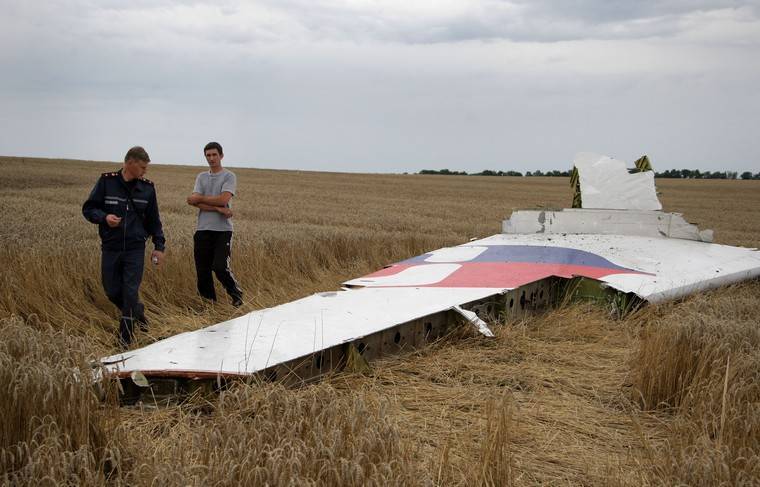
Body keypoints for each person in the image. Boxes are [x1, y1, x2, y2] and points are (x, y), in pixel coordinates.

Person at [82, 146, 166, 348]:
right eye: (143, 167)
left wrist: (159, 246)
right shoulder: (107, 182)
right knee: (111, 291)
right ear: (130, 163)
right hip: (111, 247)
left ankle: (124, 341)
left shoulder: (147, 188)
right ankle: (138, 314)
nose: (145, 172)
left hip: (135, 249)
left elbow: (154, 220)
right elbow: (89, 208)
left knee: (129, 293)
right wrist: (104, 217)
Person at [186, 141, 243, 306]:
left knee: (219, 267)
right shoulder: (201, 177)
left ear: (221, 156)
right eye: (208, 155)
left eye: (214, 155)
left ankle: (236, 294)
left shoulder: (229, 176)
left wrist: (200, 198)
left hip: (222, 230)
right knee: (202, 271)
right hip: (203, 229)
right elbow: (192, 201)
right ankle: (208, 305)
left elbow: (224, 199)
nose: (211, 158)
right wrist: (218, 209)